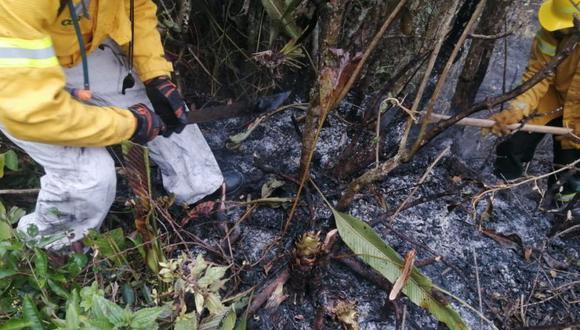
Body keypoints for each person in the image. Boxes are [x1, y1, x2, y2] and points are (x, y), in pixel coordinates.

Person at [0, 0, 241, 251]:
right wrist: (129, 124)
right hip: (14, 81)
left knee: (159, 106)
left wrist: (155, 74)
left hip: (73, 46)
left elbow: (136, 9)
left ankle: (199, 188)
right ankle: (43, 250)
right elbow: (31, 113)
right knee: (90, 176)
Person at [487, 0, 580, 203]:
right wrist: (517, 110)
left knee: (570, 170)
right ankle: (495, 194)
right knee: (515, 143)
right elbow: (538, 76)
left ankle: (559, 210)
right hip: (551, 95)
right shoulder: (551, 31)